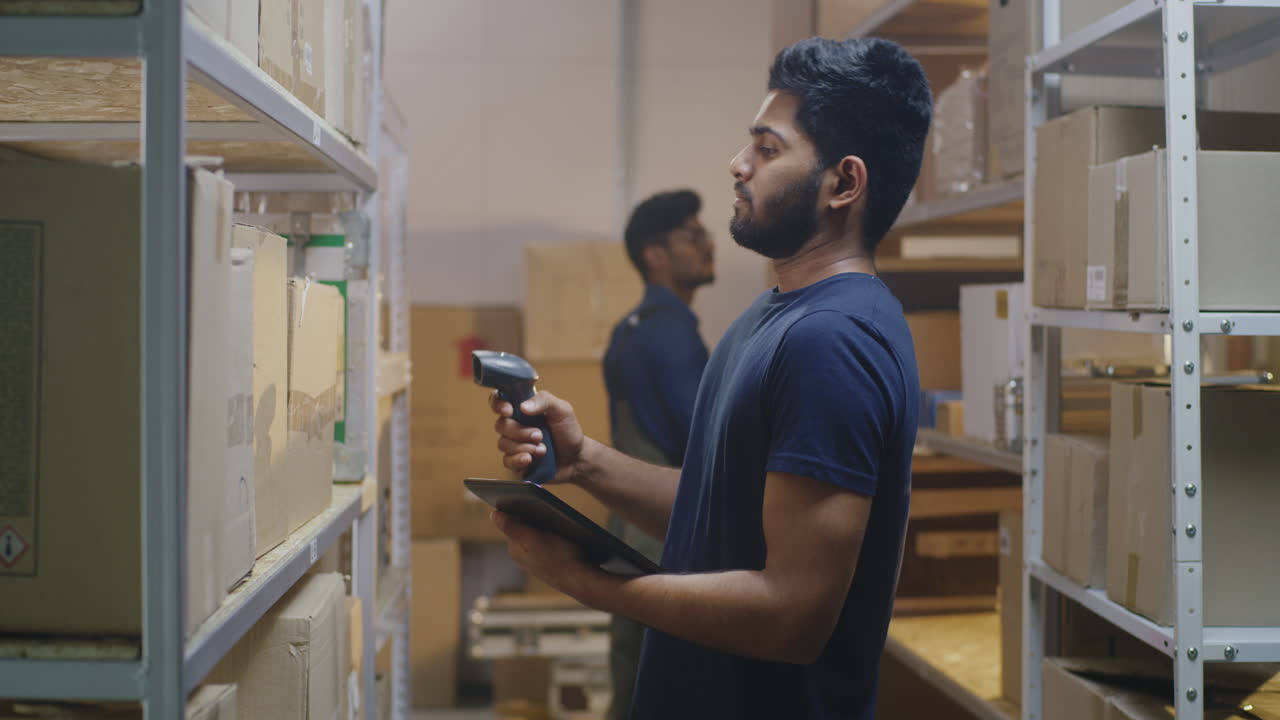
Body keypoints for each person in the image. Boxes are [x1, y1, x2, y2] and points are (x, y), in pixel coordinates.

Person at [486, 36, 930, 719]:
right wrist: (586, 463)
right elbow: (720, 512)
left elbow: (792, 616)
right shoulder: (770, 318)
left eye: (768, 148)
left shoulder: (835, 341)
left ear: (844, 183)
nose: (738, 163)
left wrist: (588, 583)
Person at [602, 189, 713, 719]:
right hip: (668, 529)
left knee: (632, 670)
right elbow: (706, 442)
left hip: (627, 524)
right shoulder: (673, 334)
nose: (708, 242)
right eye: (692, 235)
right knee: (668, 683)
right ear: (655, 254)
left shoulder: (628, 330)